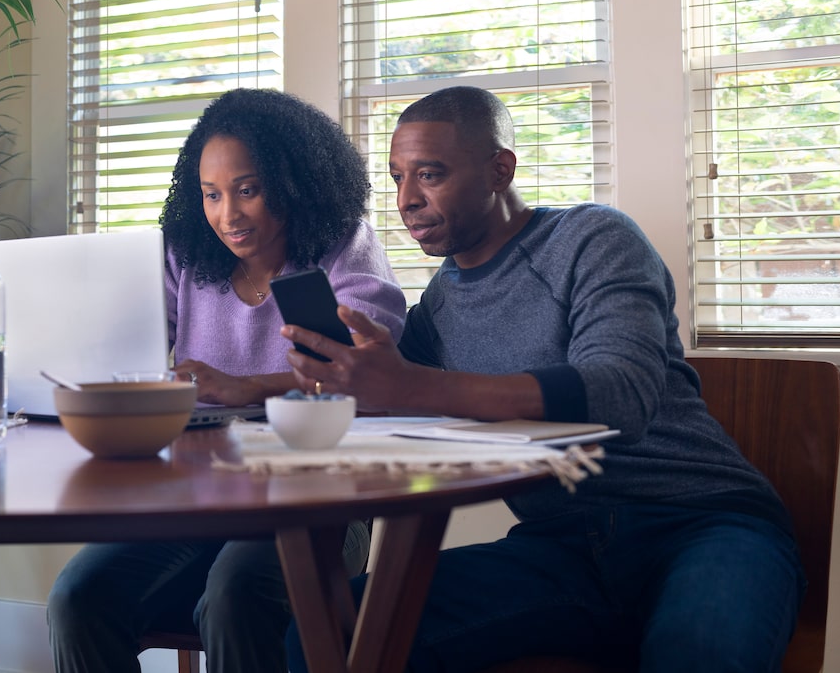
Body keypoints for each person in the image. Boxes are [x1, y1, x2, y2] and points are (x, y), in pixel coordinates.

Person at [280, 85, 804, 672]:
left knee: (698, 657)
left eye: (429, 175)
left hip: (702, 525)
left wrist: (408, 385)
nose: (407, 200)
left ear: (500, 168)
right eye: (398, 178)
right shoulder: (443, 301)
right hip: (562, 548)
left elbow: (619, 395)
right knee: (329, 635)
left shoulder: (593, 239)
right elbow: (382, 397)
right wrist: (252, 386)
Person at [47, 88, 407, 673]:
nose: (228, 215)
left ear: (293, 183)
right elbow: (126, 346)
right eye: (211, 195)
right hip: (192, 500)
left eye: (247, 190)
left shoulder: (343, 248)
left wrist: (246, 388)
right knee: (76, 599)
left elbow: (366, 366)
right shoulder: (187, 256)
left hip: (319, 500)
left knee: (237, 591)